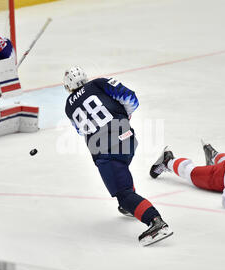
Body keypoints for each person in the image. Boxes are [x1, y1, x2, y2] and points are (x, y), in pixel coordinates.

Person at [63, 66, 173, 246]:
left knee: (123, 193)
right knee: (121, 168)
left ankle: (155, 221)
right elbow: (131, 97)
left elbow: (80, 130)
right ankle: (130, 205)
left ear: (68, 87)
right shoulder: (99, 83)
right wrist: (123, 118)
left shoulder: (68, 106)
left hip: (106, 152)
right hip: (127, 139)